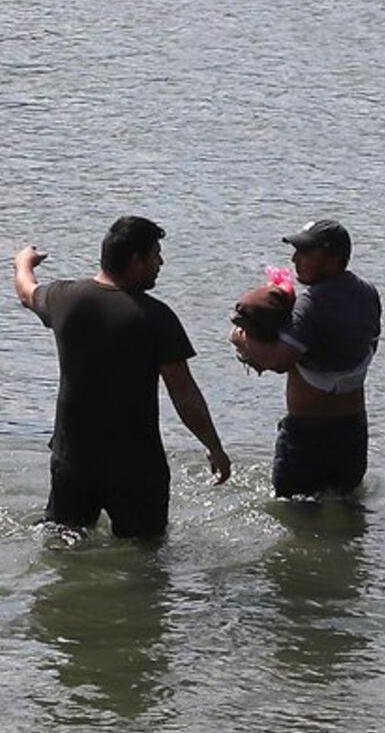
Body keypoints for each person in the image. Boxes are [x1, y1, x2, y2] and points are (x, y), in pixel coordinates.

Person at [15, 217, 230, 542]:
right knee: (145, 560)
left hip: (73, 461)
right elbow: (184, 395)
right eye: (155, 255)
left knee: (62, 547)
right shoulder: (156, 317)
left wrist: (23, 261)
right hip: (136, 469)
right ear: (135, 260)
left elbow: (26, 291)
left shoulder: (65, 299)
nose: (161, 263)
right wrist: (214, 447)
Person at [227, 216, 379, 502]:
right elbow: (372, 345)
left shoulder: (311, 303)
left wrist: (241, 339)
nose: (296, 259)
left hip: (308, 437)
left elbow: (279, 360)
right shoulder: (367, 293)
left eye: (306, 253)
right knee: (347, 515)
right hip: (352, 432)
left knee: (295, 517)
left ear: (333, 260)